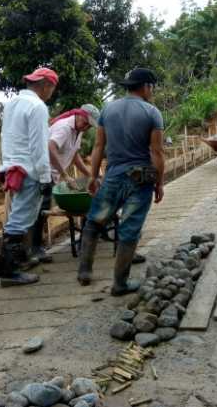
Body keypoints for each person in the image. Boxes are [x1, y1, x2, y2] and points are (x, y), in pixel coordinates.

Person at [77, 67, 165, 296]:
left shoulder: (108, 109)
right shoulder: (152, 112)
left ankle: (84, 272)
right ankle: (120, 284)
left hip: (114, 176)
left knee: (94, 222)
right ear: (146, 86)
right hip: (141, 178)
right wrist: (159, 182)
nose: (152, 91)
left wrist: (94, 177)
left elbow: (98, 147)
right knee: (129, 229)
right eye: (151, 87)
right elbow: (157, 153)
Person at [0, 67, 57, 287]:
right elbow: (39, 146)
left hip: (13, 168)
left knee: (19, 215)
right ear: (45, 85)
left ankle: (18, 263)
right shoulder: (38, 106)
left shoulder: (12, 104)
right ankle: (10, 272)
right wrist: (44, 177)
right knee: (20, 219)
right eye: (52, 89)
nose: (51, 93)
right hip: (30, 169)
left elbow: (8, 137)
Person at [29, 103, 100, 262]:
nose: (87, 126)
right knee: (40, 212)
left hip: (51, 175)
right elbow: (50, 148)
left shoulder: (78, 131)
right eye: (86, 122)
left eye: (90, 125)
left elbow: (74, 156)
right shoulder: (64, 128)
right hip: (42, 174)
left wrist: (90, 175)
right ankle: (34, 249)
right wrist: (65, 175)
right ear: (80, 115)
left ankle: (36, 248)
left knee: (42, 211)